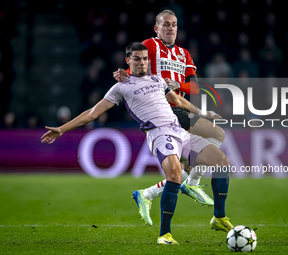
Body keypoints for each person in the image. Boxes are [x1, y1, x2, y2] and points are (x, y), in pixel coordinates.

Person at [41, 42, 233, 245]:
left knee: (221, 161)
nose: (141, 63)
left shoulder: (157, 79)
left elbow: (178, 101)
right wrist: (62, 129)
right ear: (128, 61)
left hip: (179, 130)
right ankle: (164, 235)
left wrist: (203, 113)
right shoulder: (120, 87)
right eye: (136, 59)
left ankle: (219, 218)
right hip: (159, 134)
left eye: (144, 59)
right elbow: (92, 113)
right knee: (175, 176)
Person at [113, 9, 226, 226]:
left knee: (181, 171)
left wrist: (178, 85)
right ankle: (193, 182)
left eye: (173, 24)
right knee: (214, 135)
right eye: (165, 24)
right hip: (163, 109)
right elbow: (134, 67)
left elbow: (193, 87)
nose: (170, 28)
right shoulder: (150, 45)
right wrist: (123, 74)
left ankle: (147, 194)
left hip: (181, 108)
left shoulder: (184, 54)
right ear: (157, 28)